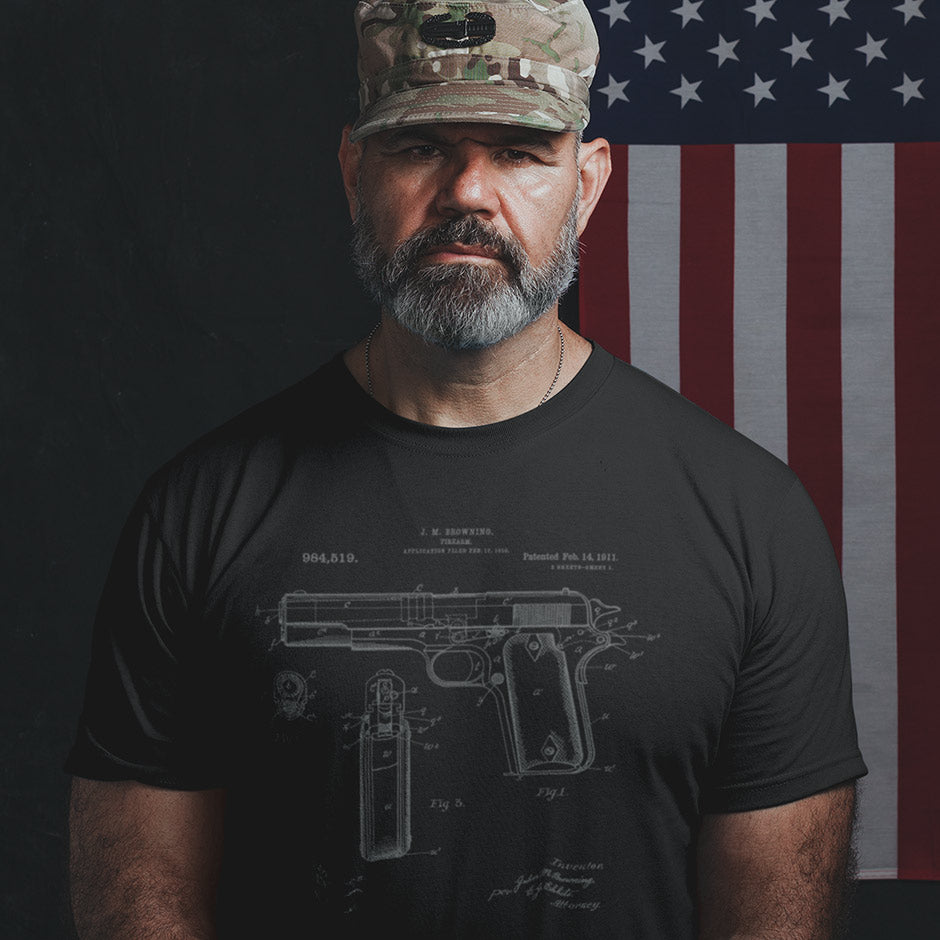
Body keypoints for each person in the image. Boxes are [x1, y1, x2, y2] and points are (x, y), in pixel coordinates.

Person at [66, 2, 867, 937]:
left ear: (589, 181)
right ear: (352, 170)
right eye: (420, 147)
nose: (469, 192)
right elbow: (138, 893)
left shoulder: (751, 518)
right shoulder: (202, 512)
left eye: (521, 151)